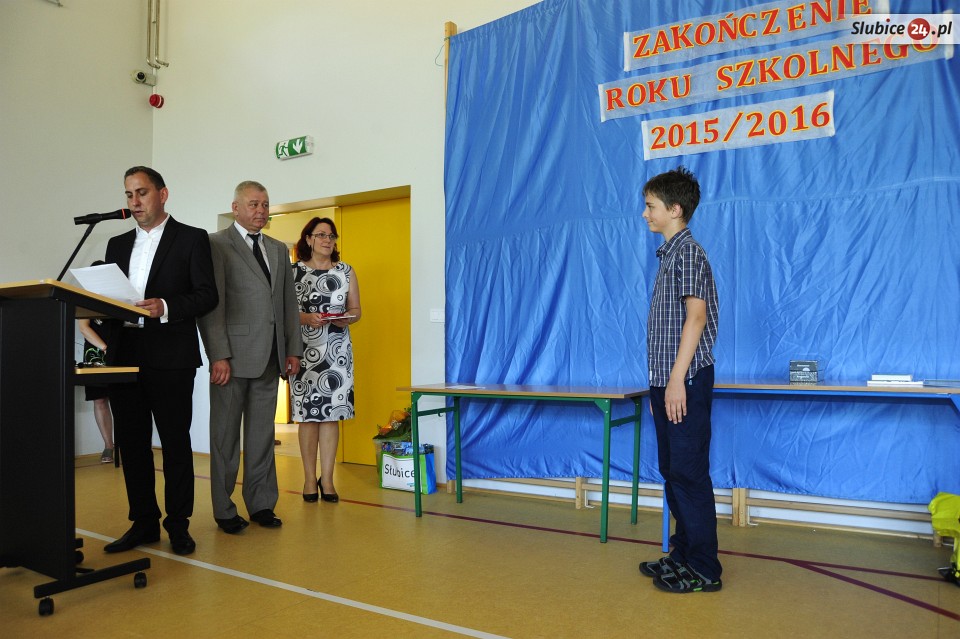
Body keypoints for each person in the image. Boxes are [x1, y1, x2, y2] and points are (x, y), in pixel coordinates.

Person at [103, 166, 218, 556]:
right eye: (129, 194)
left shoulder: (191, 238)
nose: (134, 202)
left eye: (142, 193)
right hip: (125, 354)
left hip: (170, 354)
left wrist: (166, 306)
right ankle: (143, 523)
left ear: (163, 194)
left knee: (174, 443)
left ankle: (178, 525)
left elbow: (207, 295)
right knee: (132, 444)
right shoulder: (116, 244)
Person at [198, 180, 302, 534]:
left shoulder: (278, 249)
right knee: (225, 439)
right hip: (231, 359)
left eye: (265, 205)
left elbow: (287, 303)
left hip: (271, 357)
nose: (261, 211)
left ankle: (261, 504)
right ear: (236, 208)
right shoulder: (215, 244)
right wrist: (218, 354)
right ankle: (224, 509)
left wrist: (292, 348)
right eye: (254, 204)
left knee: (261, 438)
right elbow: (212, 306)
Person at [636, 166, 722, 593]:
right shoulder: (669, 255)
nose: (645, 213)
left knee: (688, 473)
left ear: (675, 209)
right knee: (673, 471)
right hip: (667, 381)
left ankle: (704, 568)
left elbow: (696, 318)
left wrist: (675, 382)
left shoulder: (689, 253)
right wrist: (661, 384)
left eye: (651, 206)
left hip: (683, 381)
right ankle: (683, 554)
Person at [291, 217, 361, 502]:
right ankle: (310, 479)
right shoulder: (293, 272)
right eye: (321, 235)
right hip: (304, 351)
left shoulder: (346, 271)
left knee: (332, 416)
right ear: (308, 239)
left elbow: (356, 309)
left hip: (337, 352)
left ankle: (328, 480)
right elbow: (283, 312)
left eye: (331, 236)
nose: (327, 240)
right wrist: (306, 318)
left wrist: (348, 318)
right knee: (307, 418)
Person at [77, 261, 116, 464]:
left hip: (120, 352)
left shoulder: (118, 296)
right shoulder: (85, 298)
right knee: (99, 399)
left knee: (124, 397)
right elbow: (84, 328)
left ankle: (127, 445)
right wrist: (105, 348)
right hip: (96, 355)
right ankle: (108, 446)